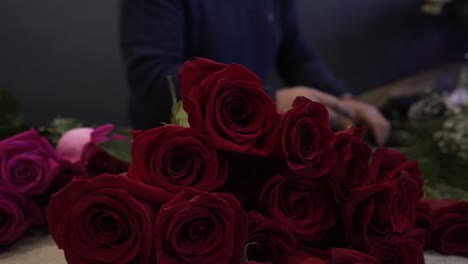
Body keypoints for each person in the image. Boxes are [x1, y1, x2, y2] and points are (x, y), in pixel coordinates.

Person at [119, 0, 390, 145]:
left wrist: (343, 100)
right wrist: (263, 100)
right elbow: (154, 81)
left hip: (250, 145)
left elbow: (294, 54)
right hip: (178, 159)